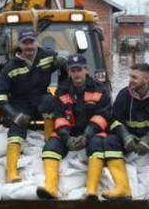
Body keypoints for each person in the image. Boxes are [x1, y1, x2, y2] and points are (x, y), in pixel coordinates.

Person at [0, 30, 65, 183]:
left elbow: (69, 68)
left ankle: (49, 144)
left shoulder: (47, 56)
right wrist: (12, 114)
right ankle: (11, 172)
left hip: (40, 99)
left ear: (37, 42)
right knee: (16, 128)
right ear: (19, 45)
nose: (29, 46)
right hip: (20, 103)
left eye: (32, 42)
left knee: (51, 102)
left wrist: (63, 63)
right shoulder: (10, 67)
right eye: (25, 43)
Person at [37, 54, 112, 200]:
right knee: (50, 147)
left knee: (97, 145)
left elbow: (103, 116)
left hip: (93, 132)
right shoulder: (62, 90)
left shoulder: (100, 89)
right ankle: (51, 188)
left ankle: (91, 190)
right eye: (73, 70)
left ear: (86, 70)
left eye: (79, 70)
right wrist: (66, 137)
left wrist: (86, 136)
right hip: (69, 132)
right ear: (69, 72)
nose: (76, 74)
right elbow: (59, 117)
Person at [103, 62, 149, 201]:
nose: (130, 80)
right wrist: (125, 136)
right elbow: (113, 121)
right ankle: (122, 188)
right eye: (130, 76)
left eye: (134, 77)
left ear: (146, 79)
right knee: (109, 141)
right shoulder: (124, 95)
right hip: (129, 139)